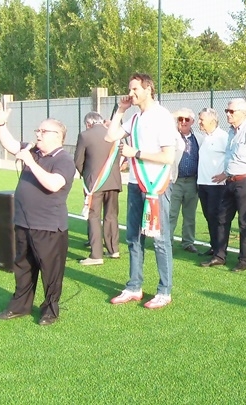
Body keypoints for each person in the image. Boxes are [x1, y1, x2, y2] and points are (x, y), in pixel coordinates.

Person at [0, 103, 76, 326]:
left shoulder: (64, 160)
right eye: (38, 130)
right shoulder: (33, 151)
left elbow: (54, 184)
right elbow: (10, 144)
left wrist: (30, 162)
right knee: (23, 268)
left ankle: (50, 310)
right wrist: (0, 124)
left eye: (43, 131)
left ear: (57, 136)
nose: (38, 134)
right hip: (23, 223)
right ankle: (19, 306)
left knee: (50, 272)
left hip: (49, 227)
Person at [106, 73, 177, 309]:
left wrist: (135, 153)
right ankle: (134, 286)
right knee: (133, 237)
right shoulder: (135, 118)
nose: (131, 93)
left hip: (156, 186)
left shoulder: (162, 116)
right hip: (136, 184)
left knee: (160, 240)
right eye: (130, 88)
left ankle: (164, 291)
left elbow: (168, 156)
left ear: (148, 89)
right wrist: (120, 110)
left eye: (135, 89)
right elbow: (110, 136)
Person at [201, 98, 246, 272]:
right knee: (222, 218)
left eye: (231, 111)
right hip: (230, 181)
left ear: (243, 113)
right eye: (227, 111)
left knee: (245, 222)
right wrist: (226, 173)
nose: (228, 114)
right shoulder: (231, 132)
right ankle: (219, 256)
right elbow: (231, 157)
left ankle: (244, 260)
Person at [74, 111, 122, 265]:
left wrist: (86, 175)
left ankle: (96, 255)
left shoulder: (85, 135)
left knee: (93, 216)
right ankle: (113, 249)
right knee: (111, 215)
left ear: (88, 123)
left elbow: (78, 160)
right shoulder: (114, 134)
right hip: (113, 181)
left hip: (94, 183)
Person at [169, 108, 204, 253]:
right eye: (180, 119)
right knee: (171, 213)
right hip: (175, 181)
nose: (183, 122)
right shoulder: (171, 137)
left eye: (187, 119)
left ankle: (188, 242)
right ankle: (167, 242)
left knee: (190, 215)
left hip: (192, 181)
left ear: (192, 122)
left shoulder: (199, 139)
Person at [196, 107, 229, 257]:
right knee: (208, 216)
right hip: (203, 184)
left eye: (202, 119)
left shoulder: (223, 137)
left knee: (216, 217)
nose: (199, 122)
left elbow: (231, 156)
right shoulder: (204, 137)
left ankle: (220, 250)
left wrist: (225, 174)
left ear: (212, 121)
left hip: (217, 186)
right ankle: (214, 246)